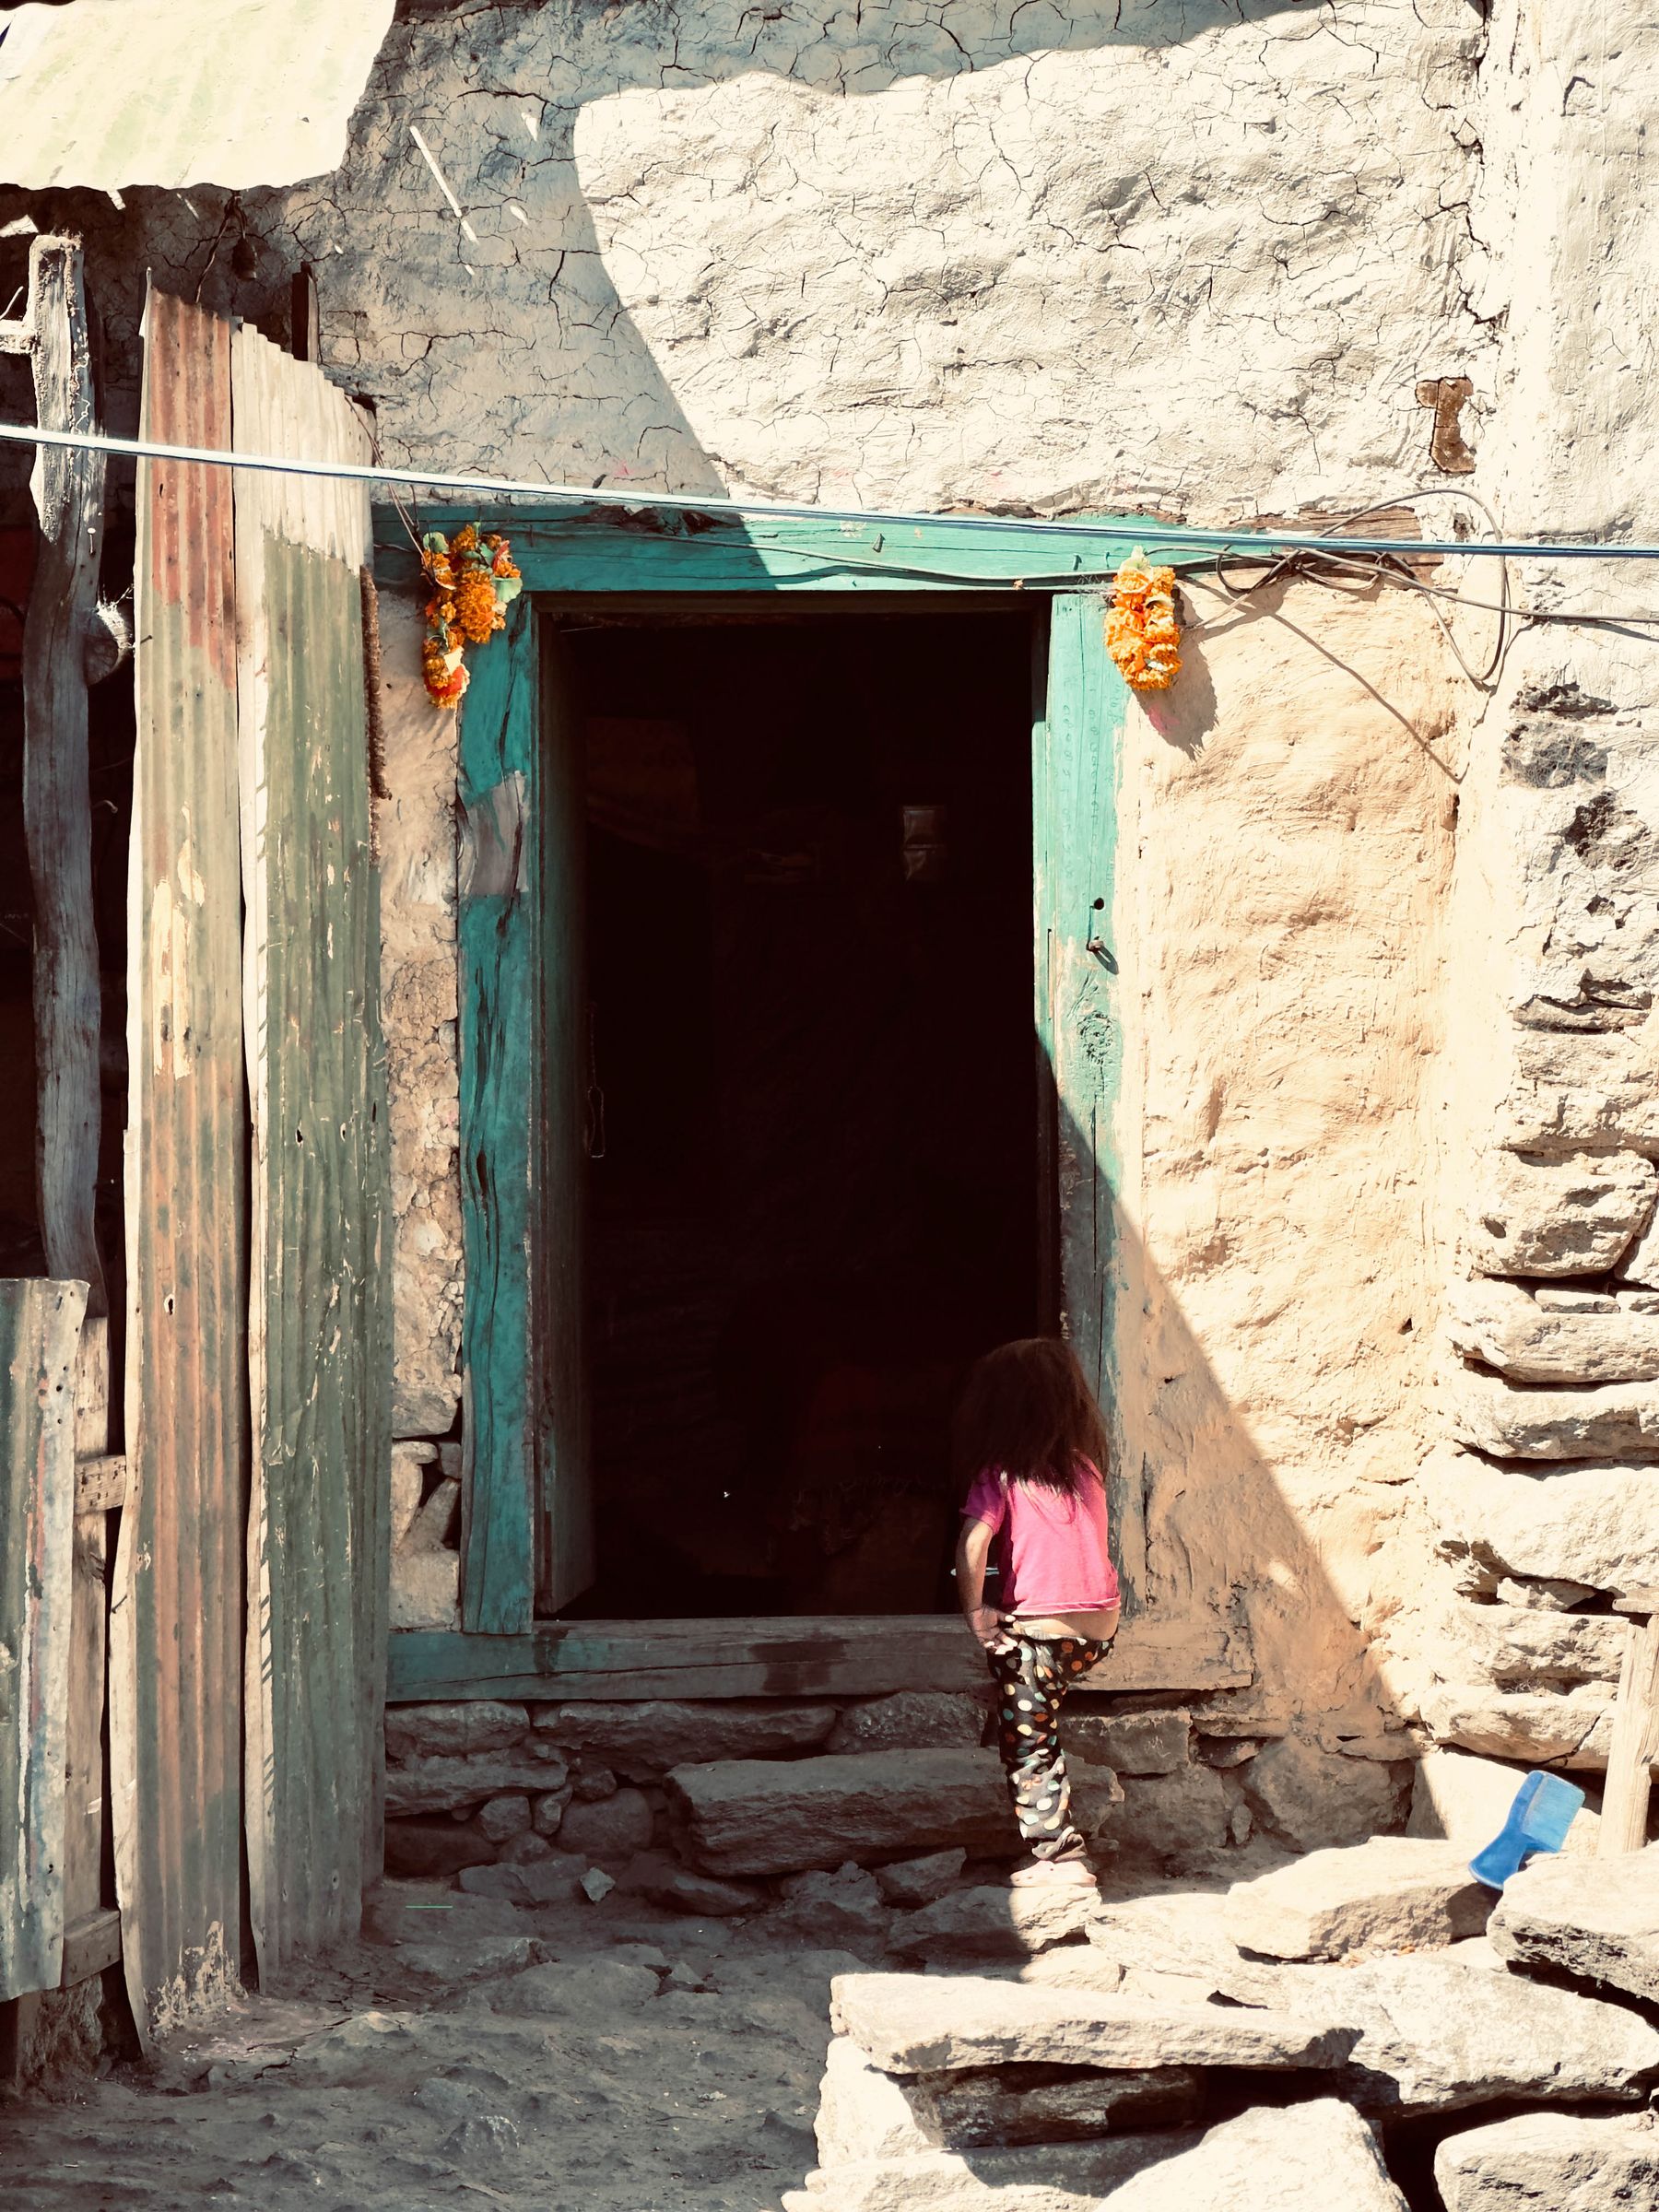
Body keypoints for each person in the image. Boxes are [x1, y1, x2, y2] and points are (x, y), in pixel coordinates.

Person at [953, 1338, 1122, 1888]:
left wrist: (978, 1614)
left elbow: (973, 1546)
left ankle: (1060, 1859)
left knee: (1029, 1744)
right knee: (1042, 1717)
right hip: (1098, 1629)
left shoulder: (999, 1475)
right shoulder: (1086, 1469)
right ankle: (1055, 1848)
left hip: (1041, 1633)